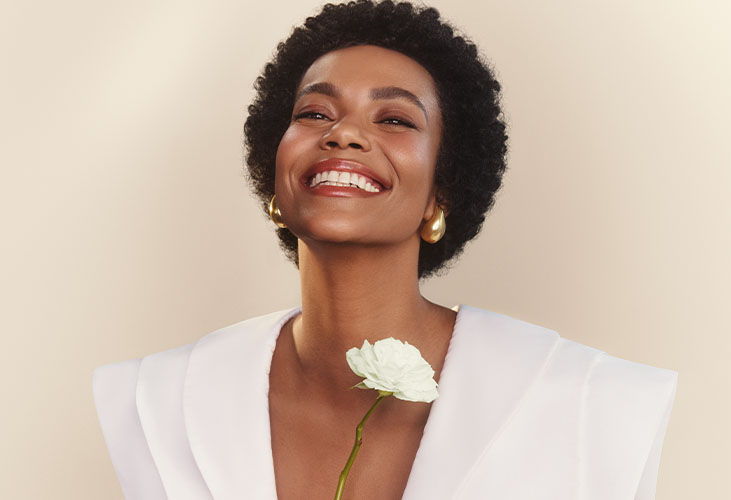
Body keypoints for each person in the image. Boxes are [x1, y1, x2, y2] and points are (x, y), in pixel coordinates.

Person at [93, 1, 678, 499]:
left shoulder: (591, 405)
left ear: (439, 195)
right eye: (314, 113)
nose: (343, 133)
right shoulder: (154, 403)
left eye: (395, 119)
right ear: (275, 177)